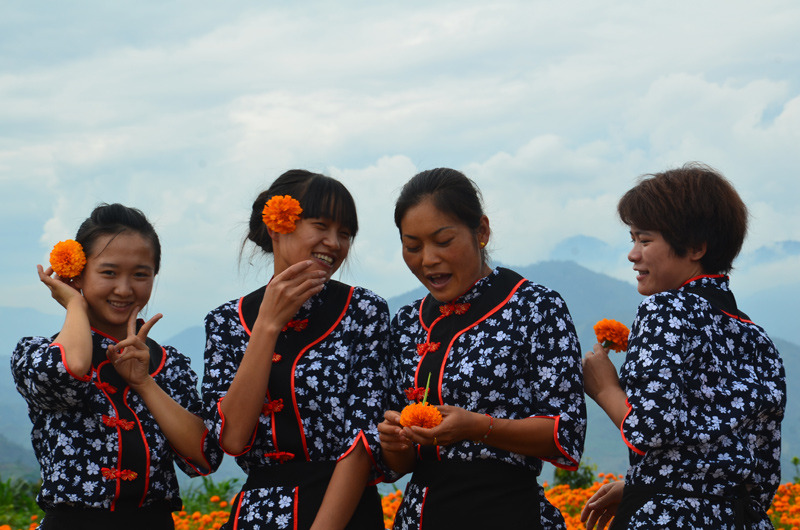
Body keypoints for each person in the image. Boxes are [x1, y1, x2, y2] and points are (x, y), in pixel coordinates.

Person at [378, 168, 586, 530]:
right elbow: (401, 465)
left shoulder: (535, 307)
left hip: (507, 511)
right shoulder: (409, 321)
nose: (427, 259)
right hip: (420, 517)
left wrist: (479, 427)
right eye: (412, 247)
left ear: (482, 232)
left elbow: (563, 432)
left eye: (443, 241)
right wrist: (395, 442)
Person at [581, 163, 786, 530]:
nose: (633, 254)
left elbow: (650, 429)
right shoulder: (758, 338)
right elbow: (764, 468)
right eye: (632, 239)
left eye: (644, 240)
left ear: (695, 247)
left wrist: (605, 388)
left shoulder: (665, 309)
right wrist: (642, 484)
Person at [11, 203, 222, 530]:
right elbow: (71, 369)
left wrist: (145, 383)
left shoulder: (169, 364)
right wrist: (73, 305)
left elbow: (204, 456)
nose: (124, 289)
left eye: (141, 274)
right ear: (78, 274)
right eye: (108, 273)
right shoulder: (36, 354)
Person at [202, 170, 391, 530]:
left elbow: (364, 440)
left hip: (345, 514)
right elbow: (232, 437)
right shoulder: (227, 321)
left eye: (345, 233)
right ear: (277, 227)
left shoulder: (364, 311)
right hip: (259, 515)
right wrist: (268, 326)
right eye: (321, 225)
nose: (334, 243)